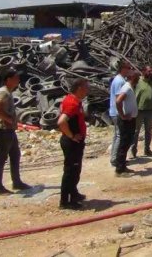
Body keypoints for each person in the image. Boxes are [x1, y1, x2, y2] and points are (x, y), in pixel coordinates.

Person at [0, 68, 31, 194]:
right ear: (8, 80)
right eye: (16, 78)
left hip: (8, 130)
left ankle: (16, 182)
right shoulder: (3, 93)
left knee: (15, 155)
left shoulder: (8, 92)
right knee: (1, 159)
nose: (18, 80)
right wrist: (8, 119)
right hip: (2, 130)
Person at [57, 78, 89, 209]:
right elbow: (61, 122)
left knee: (75, 170)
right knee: (70, 171)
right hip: (72, 143)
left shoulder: (73, 100)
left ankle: (74, 193)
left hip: (75, 141)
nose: (87, 90)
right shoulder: (72, 103)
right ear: (79, 88)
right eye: (86, 87)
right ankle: (65, 201)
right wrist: (71, 135)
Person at [114, 71, 139, 177]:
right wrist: (123, 115)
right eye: (137, 77)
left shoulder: (130, 87)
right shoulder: (127, 88)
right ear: (132, 77)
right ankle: (119, 170)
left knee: (127, 142)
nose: (138, 79)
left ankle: (123, 166)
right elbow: (118, 101)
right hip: (126, 121)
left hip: (130, 120)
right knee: (124, 144)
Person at [132, 66, 152, 157]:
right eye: (149, 71)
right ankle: (133, 150)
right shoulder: (138, 81)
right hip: (138, 110)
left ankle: (147, 149)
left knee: (148, 131)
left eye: (151, 71)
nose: (151, 73)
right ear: (143, 72)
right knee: (136, 131)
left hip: (150, 110)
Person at [108, 61, 130, 166]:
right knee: (119, 135)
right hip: (117, 112)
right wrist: (122, 114)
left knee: (117, 135)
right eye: (128, 68)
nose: (129, 70)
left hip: (116, 112)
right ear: (123, 69)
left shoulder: (121, 80)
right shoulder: (119, 81)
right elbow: (118, 99)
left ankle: (115, 157)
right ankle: (115, 159)